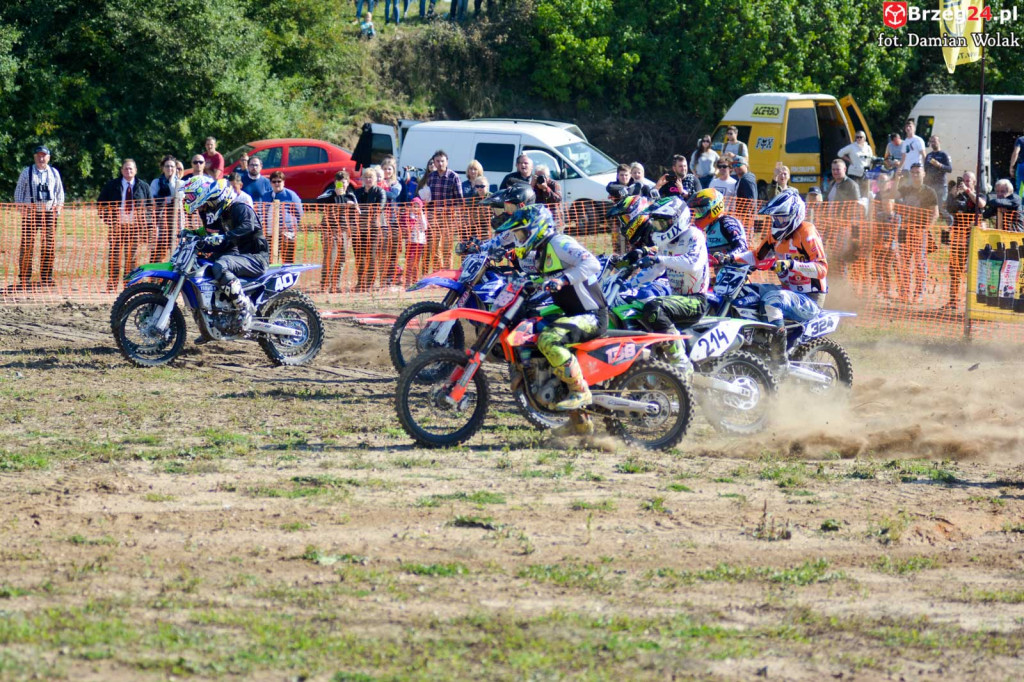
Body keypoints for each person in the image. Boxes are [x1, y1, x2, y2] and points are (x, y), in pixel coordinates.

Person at [493, 193, 607, 437]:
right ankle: (579, 421)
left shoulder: (559, 243)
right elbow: (541, 278)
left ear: (537, 228)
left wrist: (563, 280)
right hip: (572, 314)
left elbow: (592, 264)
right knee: (529, 331)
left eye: (522, 233)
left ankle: (580, 391)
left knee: (549, 339)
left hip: (592, 315)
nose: (520, 238)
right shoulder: (540, 251)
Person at [625, 196, 708, 370]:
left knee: (654, 308)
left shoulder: (694, 235)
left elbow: (692, 264)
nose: (657, 228)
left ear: (676, 220)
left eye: (661, 223)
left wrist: (658, 258)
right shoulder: (666, 242)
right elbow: (655, 270)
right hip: (676, 298)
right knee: (635, 306)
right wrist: (627, 287)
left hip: (695, 300)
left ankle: (680, 361)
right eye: (656, 224)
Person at [181, 175, 268, 331]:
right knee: (200, 268)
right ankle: (209, 324)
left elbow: (248, 226)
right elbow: (210, 233)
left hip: (255, 257)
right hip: (237, 255)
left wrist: (224, 236)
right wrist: (193, 234)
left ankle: (243, 308)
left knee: (220, 266)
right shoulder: (216, 214)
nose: (204, 208)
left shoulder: (240, 207)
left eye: (207, 204)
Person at [754, 191, 829, 325]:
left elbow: (821, 269)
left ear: (795, 216)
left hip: (810, 298)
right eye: (775, 218)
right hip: (788, 291)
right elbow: (756, 257)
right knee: (749, 292)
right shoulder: (774, 237)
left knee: (772, 300)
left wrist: (791, 264)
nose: (777, 222)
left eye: (781, 218)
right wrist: (731, 258)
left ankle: (778, 343)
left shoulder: (806, 232)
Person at [13, 145, 65, 291]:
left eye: (44, 156)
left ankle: (46, 277)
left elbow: (59, 193)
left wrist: (58, 209)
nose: (41, 158)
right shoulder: (26, 172)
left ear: (48, 157)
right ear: (35, 157)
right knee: (27, 246)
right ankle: (24, 278)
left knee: (48, 246)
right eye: (39, 155)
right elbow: (18, 192)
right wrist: (22, 209)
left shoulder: (54, 173)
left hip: (49, 213)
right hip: (31, 212)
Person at [98, 158, 153, 292]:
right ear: (122, 170)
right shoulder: (112, 185)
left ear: (135, 170)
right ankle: (112, 284)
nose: (128, 171)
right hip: (117, 226)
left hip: (135, 228)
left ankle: (129, 285)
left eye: (131, 168)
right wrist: (108, 220)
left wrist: (146, 224)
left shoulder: (143, 186)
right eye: (126, 168)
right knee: (114, 256)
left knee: (132, 257)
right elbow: (101, 204)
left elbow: (150, 207)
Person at [895, 163, 939, 303]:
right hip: (904, 230)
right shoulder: (905, 189)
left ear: (923, 174)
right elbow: (891, 195)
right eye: (913, 173)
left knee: (920, 264)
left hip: (920, 231)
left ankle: (919, 293)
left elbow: (935, 213)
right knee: (904, 263)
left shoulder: (929, 191)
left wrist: (926, 229)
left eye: (917, 172)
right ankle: (904, 292)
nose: (915, 175)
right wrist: (896, 178)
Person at [945, 172, 984, 309]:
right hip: (958, 237)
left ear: (974, 182)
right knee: (955, 269)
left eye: (968, 181)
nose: (965, 182)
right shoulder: (957, 195)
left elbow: (981, 204)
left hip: (974, 237)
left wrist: (968, 191)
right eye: (964, 180)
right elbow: (949, 208)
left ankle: (975, 302)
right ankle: (953, 300)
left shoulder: (979, 193)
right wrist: (953, 193)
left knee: (975, 270)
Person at [317, 170, 359, 293]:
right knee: (330, 257)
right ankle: (324, 284)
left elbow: (357, 213)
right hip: (330, 230)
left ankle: (336, 284)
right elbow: (318, 201)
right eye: (339, 183)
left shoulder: (351, 196)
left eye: (344, 183)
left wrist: (352, 206)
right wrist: (336, 195)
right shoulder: (329, 194)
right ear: (335, 183)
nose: (342, 185)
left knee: (341, 259)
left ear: (348, 183)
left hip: (345, 231)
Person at [689, 188, 748, 265]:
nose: (697, 215)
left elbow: (742, 247)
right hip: (722, 273)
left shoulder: (726, 222)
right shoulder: (710, 227)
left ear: (714, 206)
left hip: (736, 271)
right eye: (697, 212)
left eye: (701, 211)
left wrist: (727, 257)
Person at [353, 166, 386, 290]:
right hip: (359, 228)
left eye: (370, 177)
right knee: (359, 255)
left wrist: (362, 211)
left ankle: (369, 283)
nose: (368, 180)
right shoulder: (357, 192)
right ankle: (361, 281)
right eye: (366, 177)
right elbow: (353, 207)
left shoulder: (380, 192)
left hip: (373, 228)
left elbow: (380, 207)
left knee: (371, 255)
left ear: (375, 179)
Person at [260, 171, 304, 264]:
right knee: (270, 259)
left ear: (283, 182)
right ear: (271, 183)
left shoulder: (291, 195)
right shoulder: (266, 196)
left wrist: (291, 225)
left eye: (279, 181)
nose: (276, 184)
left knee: (287, 259)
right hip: (270, 232)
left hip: (287, 232)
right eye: (274, 181)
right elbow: (262, 212)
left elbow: (299, 212)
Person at [150, 155, 184, 262]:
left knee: (177, 249)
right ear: (163, 168)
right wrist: (170, 199)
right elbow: (153, 199)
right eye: (167, 166)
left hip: (177, 221)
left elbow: (179, 197)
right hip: (161, 220)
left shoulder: (180, 183)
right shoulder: (156, 182)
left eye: (172, 166)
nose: (170, 169)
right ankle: (155, 277)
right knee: (159, 249)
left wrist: (172, 181)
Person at [837, 130, 874, 197]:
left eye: (860, 137)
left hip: (865, 174)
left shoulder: (868, 148)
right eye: (857, 137)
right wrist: (849, 160)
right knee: (854, 193)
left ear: (864, 138)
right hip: (854, 173)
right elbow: (840, 153)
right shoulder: (851, 147)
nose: (859, 139)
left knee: (865, 194)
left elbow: (871, 159)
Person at [924, 135, 953, 214]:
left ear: (939, 142)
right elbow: (925, 170)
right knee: (929, 207)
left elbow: (950, 169)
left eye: (935, 141)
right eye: (931, 142)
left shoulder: (944, 155)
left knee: (941, 208)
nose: (933, 143)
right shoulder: (929, 156)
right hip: (930, 185)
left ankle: (950, 223)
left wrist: (939, 165)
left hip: (940, 185)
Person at [403, 197, 428, 285]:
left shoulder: (422, 215)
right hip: (410, 241)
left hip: (420, 241)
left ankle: (415, 280)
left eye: (418, 206)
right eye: (414, 206)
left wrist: (421, 214)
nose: (415, 208)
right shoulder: (408, 215)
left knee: (416, 261)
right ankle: (407, 281)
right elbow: (406, 226)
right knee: (410, 261)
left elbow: (425, 227)